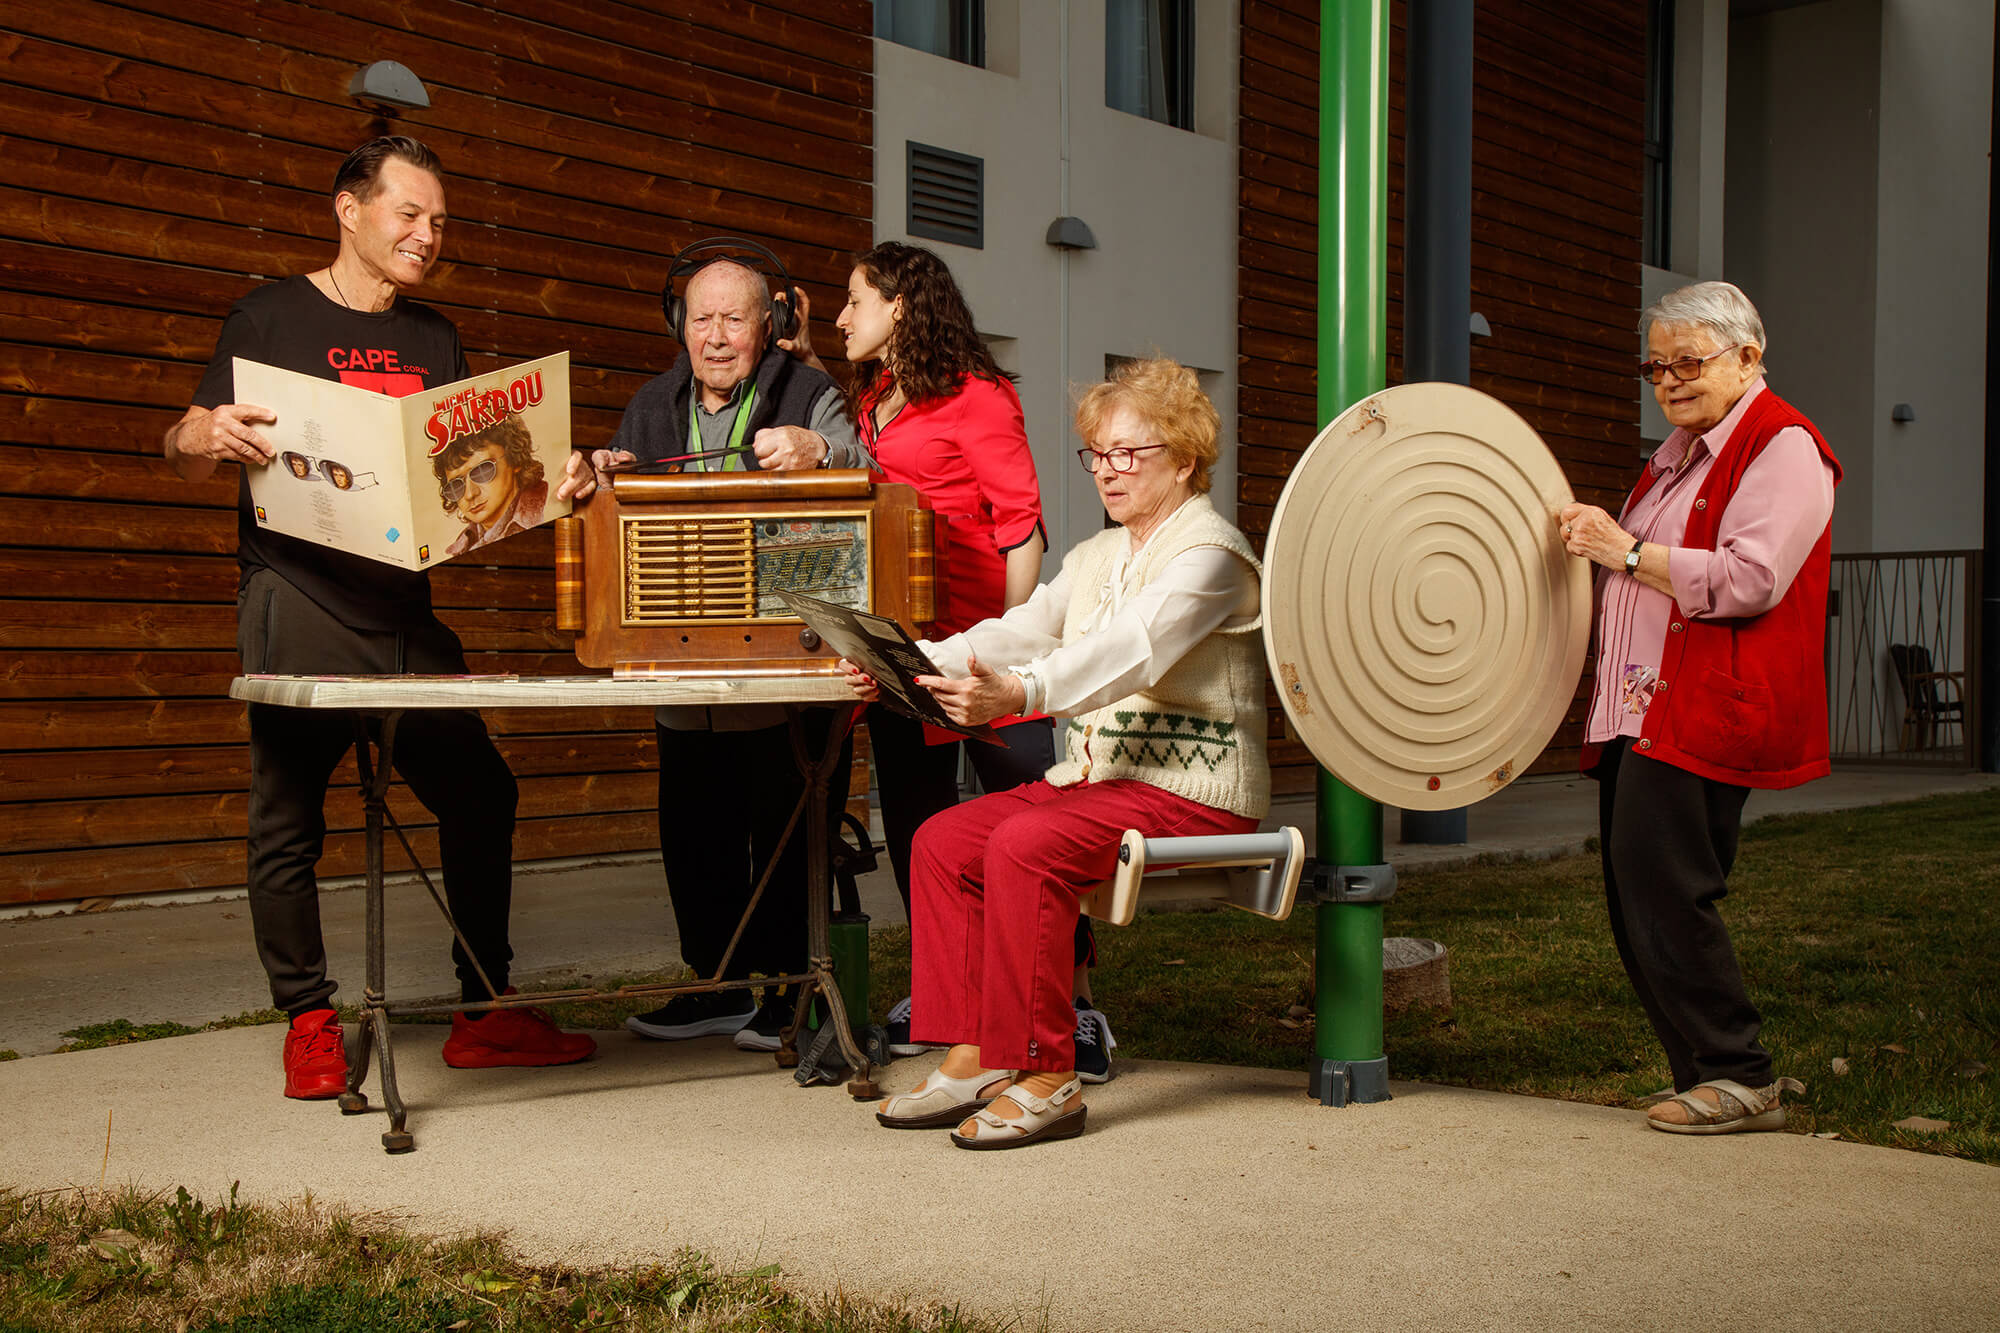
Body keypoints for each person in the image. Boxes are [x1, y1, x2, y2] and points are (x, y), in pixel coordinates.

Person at [163, 136, 596, 1100]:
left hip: (405, 608)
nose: (426, 235)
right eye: (409, 214)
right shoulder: (267, 315)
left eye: (439, 221)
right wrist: (200, 433)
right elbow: (187, 449)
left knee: (481, 793)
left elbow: (462, 484)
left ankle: (485, 1010)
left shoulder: (436, 338)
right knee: (289, 819)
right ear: (348, 210)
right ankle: (310, 1018)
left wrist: (543, 485)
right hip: (297, 597)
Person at [842, 358, 1267, 1148]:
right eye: (1098, 453)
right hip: (1103, 784)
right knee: (943, 841)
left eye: (1130, 453)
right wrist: (911, 661)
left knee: (1024, 845)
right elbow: (1023, 625)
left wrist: (1021, 694)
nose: (1109, 470)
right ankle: (975, 1055)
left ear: (1183, 458)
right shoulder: (1099, 554)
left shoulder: (1212, 555)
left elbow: (1128, 652)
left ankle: (1047, 1075)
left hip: (1193, 791)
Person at [830, 243, 1118, 1079]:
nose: (842, 318)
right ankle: (950, 997)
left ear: (901, 307)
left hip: (987, 660)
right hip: (906, 652)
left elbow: (1021, 528)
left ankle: (1078, 1001)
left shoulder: (979, 398)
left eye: (855, 300)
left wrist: (1003, 646)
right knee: (923, 829)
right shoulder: (876, 399)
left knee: (1034, 828)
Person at [1559, 280, 1839, 1136]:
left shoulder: (1781, 446)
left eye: (1690, 360)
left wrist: (1626, 548)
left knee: (1671, 888)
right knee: (1636, 892)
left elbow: (1751, 578)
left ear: (1748, 355)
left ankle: (1738, 1073)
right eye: (1657, 366)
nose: (1671, 380)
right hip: (1640, 708)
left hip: (1705, 705)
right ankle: (1703, 1073)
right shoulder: (1680, 454)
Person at [572, 254, 871, 1053]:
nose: (715, 336)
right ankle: (716, 984)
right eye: (700, 319)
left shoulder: (810, 394)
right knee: (692, 831)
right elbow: (611, 504)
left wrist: (821, 451)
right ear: (680, 326)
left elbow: (868, 473)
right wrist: (605, 475)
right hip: (678, 662)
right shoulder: (649, 405)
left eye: (733, 319)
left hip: (782, 667)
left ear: (766, 323)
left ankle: (788, 988)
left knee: (782, 827)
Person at [435, 414, 547, 555]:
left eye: (483, 471)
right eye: (456, 486)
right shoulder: (459, 549)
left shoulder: (549, 507)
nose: (470, 494)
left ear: (514, 459)